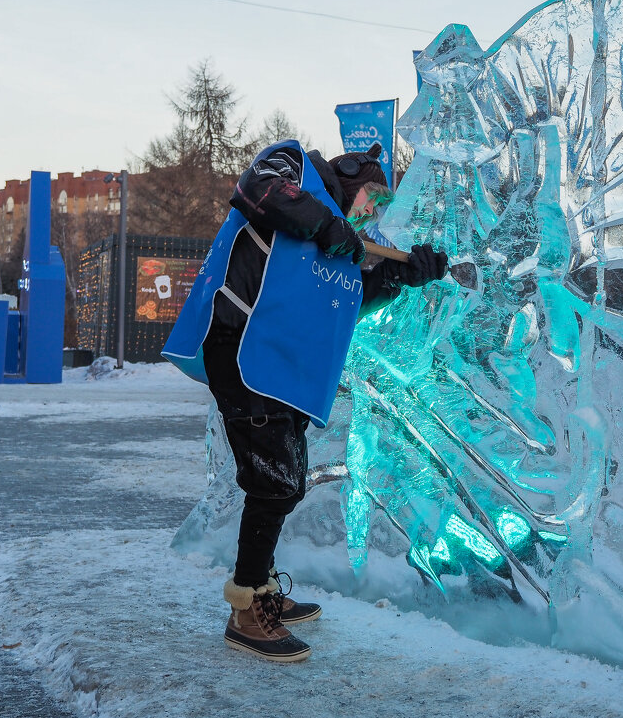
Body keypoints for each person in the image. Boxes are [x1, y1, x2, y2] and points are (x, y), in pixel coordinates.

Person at [167, 141, 447, 663]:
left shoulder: (335, 239)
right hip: (240, 345)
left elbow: (354, 296)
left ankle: (264, 585)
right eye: (371, 197)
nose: (369, 212)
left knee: (287, 479)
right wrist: (329, 225)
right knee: (273, 482)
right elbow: (260, 191)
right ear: (350, 174)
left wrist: (408, 274)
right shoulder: (292, 166)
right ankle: (246, 609)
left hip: (279, 364)